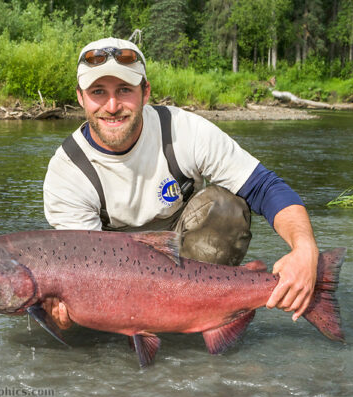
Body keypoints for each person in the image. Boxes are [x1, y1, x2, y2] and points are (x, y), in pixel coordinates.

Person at [42, 37, 319, 330]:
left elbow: (265, 187)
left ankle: (211, 310)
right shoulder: (67, 172)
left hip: (186, 259)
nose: (112, 106)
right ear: (80, 97)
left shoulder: (184, 130)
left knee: (225, 206)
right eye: (98, 92)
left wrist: (305, 250)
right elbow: (86, 268)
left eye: (124, 90)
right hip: (114, 272)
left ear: (145, 92)